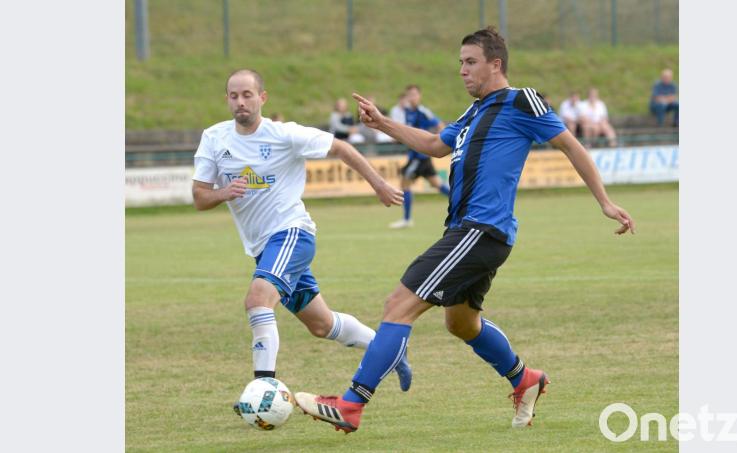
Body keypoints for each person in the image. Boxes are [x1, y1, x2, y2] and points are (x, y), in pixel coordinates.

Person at [294, 27, 635, 432]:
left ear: (496, 64)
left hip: (480, 230)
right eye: (460, 62)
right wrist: (383, 124)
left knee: (398, 305)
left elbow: (571, 145)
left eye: (470, 62)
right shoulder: (472, 113)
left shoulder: (521, 100)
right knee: (461, 324)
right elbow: (435, 145)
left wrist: (605, 201)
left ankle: (351, 406)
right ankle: (525, 379)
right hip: (473, 233)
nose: (462, 70)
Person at [191, 69, 412, 417]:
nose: (240, 102)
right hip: (265, 248)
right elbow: (200, 197)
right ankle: (389, 351)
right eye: (234, 96)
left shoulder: (285, 135)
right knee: (322, 325)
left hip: (293, 233)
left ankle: (263, 390)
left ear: (262, 98)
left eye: (247, 94)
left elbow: (340, 147)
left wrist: (379, 185)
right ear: (227, 100)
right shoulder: (215, 138)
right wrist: (223, 192)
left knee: (258, 299)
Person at [388, 85, 451, 229]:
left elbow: (440, 126)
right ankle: (464, 202)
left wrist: (438, 142)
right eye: (410, 94)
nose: (412, 97)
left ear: (419, 96)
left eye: (415, 94)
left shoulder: (424, 112)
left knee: (405, 183)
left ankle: (407, 219)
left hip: (420, 156)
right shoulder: (408, 112)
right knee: (437, 185)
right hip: (416, 155)